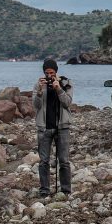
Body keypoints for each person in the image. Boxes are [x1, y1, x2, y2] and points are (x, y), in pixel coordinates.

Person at [32, 57, 73, 198]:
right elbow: (36, 106)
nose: (49, 76)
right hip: (44, 128)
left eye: (51, 73)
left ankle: (66, 190)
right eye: (46, 73)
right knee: (44, 161)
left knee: (64, 161)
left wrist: (58, 89)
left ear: (56, 72)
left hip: (62, 127)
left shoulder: (66, 83)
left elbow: (67, 103)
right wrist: (39, 92)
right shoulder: (39, 85)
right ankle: (44, 190)